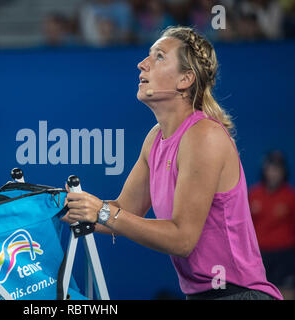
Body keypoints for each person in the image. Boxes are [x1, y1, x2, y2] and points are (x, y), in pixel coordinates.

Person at [62, 25, 283, 300]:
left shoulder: (205, 135)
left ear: (185, 79)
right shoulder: (155, 137)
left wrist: (103, 213)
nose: (142, 64)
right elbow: (121, 211)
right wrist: (59, 208)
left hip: (239, 295)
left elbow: (182, 239)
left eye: (159, 57)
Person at [249, 150, 295, 300]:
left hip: (285, 256)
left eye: (278, 169)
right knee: (258, 294)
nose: (274, 173)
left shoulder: (290, 196)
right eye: (271, 168)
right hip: (259, 257)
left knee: (286, 294)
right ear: (265, 170)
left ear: (283, 172)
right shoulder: (253, 194)